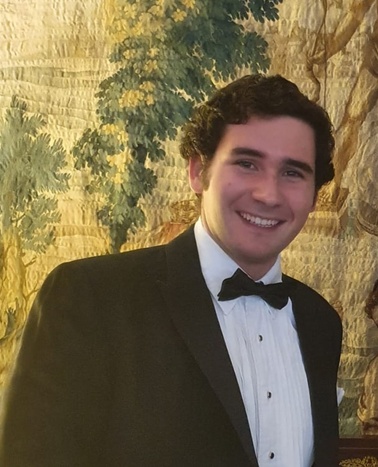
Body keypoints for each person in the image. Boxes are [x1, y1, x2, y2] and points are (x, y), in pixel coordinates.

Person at [0, 74, 342, 467]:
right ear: (198, 171)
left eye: (293, 172)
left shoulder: (321, 323)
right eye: (247, 163)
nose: (268, 193)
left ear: (315, 196)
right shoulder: (88, 296)